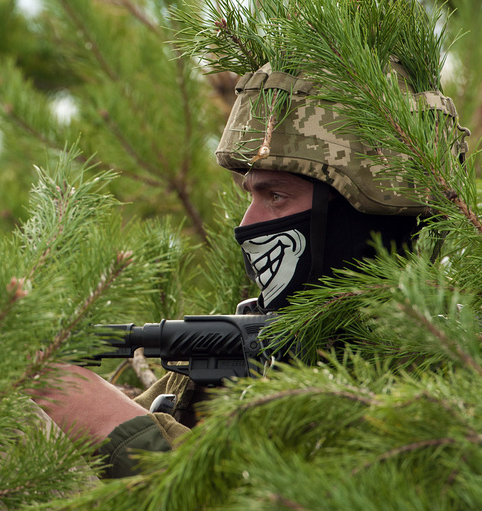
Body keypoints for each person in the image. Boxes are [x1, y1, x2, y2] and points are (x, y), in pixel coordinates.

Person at [30, 59, 470, 478]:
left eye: (275, 196)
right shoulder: (254, 355)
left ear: (356, 220)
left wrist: (116, 429)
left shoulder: (439, 382)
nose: (247, 225)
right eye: (249, 196)